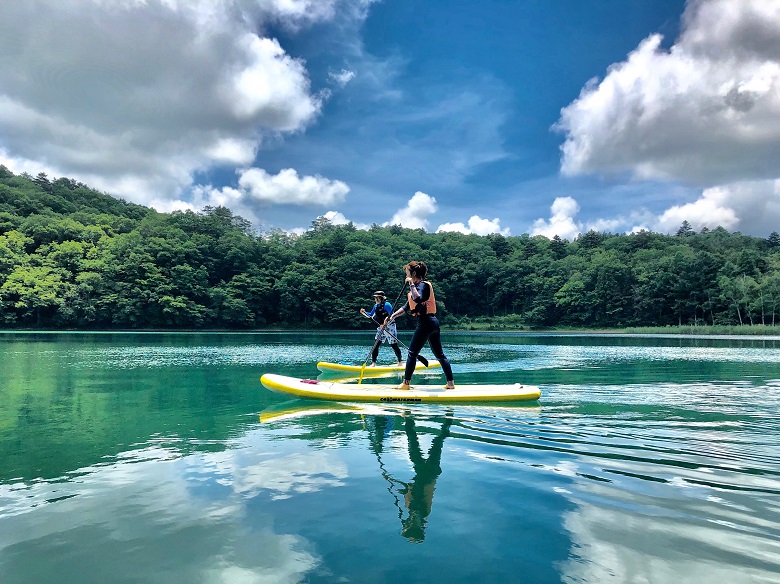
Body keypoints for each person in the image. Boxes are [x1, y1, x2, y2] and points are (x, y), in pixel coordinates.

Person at [387, 261, 455, 389]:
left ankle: (406, 384)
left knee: (412, 353)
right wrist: (391, 317)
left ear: (413, 274)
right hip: (431, 323)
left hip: (426, 323)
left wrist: (411, 284)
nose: (406, 276)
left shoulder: (423, 286)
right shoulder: (415, 288)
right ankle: (450, 384)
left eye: (407, 272)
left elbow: (419, 298)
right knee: (439, 354)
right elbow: (405, 307)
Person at [360, 290, 403, 366]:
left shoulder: (387, 305)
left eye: (376, 298)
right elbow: (371, 315)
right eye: (375, 298)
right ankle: (373, 363)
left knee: (394, 345)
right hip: (381, 327)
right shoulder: (376, 306)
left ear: (380, 298)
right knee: (375, 345)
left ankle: (400, 362)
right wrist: (364, 312)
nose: (375, 299)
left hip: (390, 326)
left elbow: (392, 316)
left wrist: (385, 323)